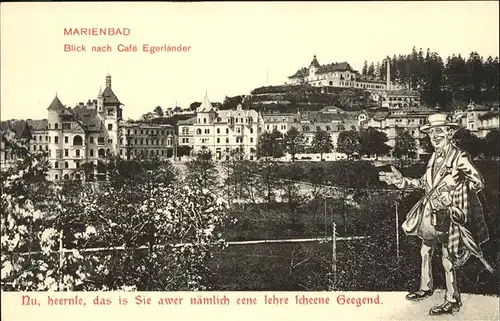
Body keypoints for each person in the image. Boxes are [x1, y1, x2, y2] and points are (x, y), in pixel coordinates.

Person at [379, 113, 490, 316]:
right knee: (425, 251)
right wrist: (400, 180)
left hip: (451, 213)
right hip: (431, 214)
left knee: (448, 258)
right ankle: (426, 288)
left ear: (450, 132)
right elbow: (424, 184)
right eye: (431, 132)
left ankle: (452, 300)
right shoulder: (433, 157)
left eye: (439, 131)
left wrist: (455, 188)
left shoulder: (459, 156)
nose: (435, 136)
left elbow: (478, 183)